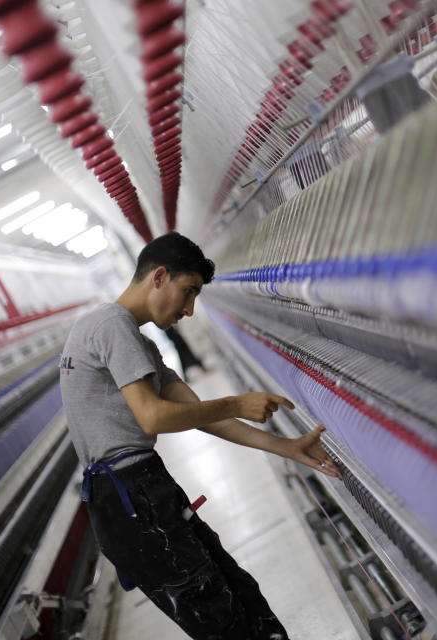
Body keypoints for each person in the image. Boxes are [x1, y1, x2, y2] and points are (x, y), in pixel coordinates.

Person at [59, 232, 340, 640]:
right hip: (129, 499)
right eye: (187, 292)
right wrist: (233, 403)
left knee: (241, 597)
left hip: (140, 493)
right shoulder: (112, 325)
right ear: (158, 277)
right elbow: (153, 417)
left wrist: (287, 448)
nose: (189, 310)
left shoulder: (135, 342)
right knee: (224, 622)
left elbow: (197, 415)